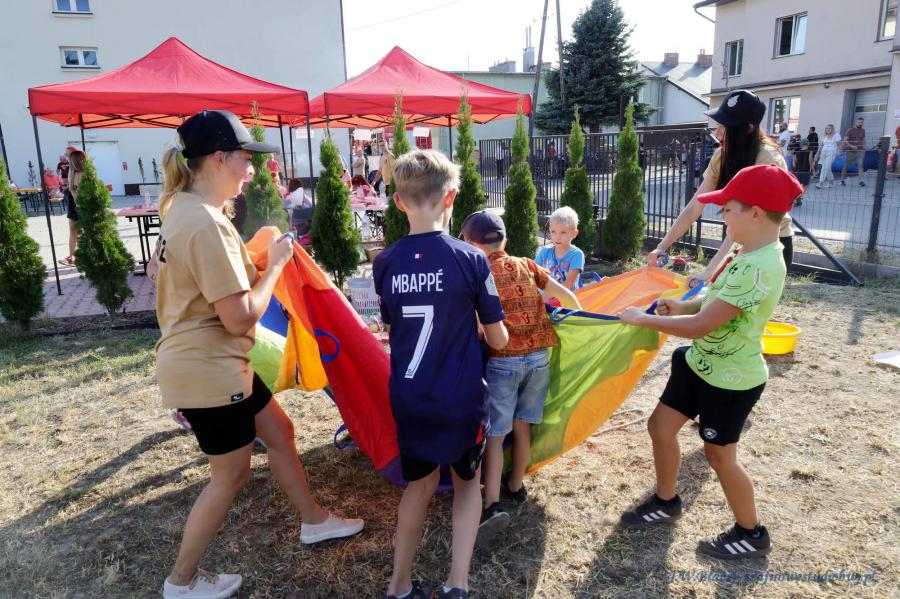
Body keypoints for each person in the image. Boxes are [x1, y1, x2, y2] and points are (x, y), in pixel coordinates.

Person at [154, 110, 364, 599]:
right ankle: (181, 581)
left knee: (280, 432)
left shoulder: (182, 208)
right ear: (219, 158)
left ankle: (314, 521)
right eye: (245, 158)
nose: (252, 169)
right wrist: (276, 268)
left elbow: (166, 273)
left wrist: (253, 259)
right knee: (230, 477)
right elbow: (241, 317)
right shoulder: (204, 222)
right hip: (210, 370)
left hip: (218, 363)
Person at [619, 164, 802, 560]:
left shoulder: (760, 267)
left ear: (756, 213)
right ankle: (666, 501)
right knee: (660, 427)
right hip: (699, 363)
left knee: (720, 456)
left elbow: (702, 326)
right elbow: (713, 302)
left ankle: (751, 533)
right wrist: (681, 306)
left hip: (730, 381)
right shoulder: (744, 250)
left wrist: (643, 319)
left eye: (728, 208)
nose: (722, 214)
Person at [373, 150, 509, 599]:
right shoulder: (471, 259)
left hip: (410, 397)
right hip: (459, 398)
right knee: (468, 484)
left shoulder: (385, 262)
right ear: (451, 198)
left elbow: (395, 326)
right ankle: (457, 583)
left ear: (399, 202)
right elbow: (499, 339)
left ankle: (398, 585)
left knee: (420, 484)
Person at [458, 211, 581, 547]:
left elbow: (475, 322)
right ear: (505, 239)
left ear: (471, 245)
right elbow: (565, 295)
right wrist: (583, 318)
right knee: (523, 425)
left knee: (496, 434)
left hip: (503, 362)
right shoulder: (527, 263)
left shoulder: (476, 272)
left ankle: (492, 503)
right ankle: (516, 486)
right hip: (539, 360)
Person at [647, 89, 795, 277]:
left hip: (768, 246)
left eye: (725, 127)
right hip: (740, 238)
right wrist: (661, 247)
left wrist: (710, 271)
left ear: (749, 128)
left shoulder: (767, 160)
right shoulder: (722, 156)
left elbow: (746, 219)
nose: (717, 132)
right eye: (718, 124)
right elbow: (695, 206)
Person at [535, 206, 585, 291]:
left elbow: (567, 286)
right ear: (549, 230)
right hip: (543, 295)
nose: (557, 237)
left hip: (564, 298)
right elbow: (533, 274)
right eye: (553, 232)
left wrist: (544, 298)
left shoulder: (576, 255)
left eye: (563, 232)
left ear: (574, 233)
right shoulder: (544, 251)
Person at [58, 149, 86, 267]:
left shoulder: (78, 174)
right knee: (74, 231)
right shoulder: (73, 172)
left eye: (68, 156)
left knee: (77, 231)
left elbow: (79, 193)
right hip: (74, 203)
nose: (66, 158)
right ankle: (73, 256)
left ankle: (77, 256)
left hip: (78, 204)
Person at [840, 117, 867, 186]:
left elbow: (863, 139)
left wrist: (864, 147)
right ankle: (842, 180)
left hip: (859, 151)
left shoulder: (863, 130)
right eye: (859, 122)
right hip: (850, 151)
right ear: (856, 122)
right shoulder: (850, 130)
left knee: (860, 165)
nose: (860, 124)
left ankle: (861, 181)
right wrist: (851, 146)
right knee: (846, 166)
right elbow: (845, 140)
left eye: (861, 122)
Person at [814, 124, 841, 189]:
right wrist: (817, 154)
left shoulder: (836, 135)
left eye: (829, 128)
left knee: (825, 168)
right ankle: (831, 182)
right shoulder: (824, 136)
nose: (828, 130)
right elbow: (821, 146)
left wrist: (839, 153)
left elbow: (839, 145)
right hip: (823, 153)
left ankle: (820, 182)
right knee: (827, 168)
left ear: (832, 129)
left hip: (832, 153)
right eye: (826, 128)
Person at [792, 139, 812, 207]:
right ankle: (797, 197)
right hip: (806, 171)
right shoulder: (809, 152)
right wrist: (813, 169)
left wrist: (796, 168)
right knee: (806, 185)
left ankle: (798, 200)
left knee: (798, 185)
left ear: (801, 144)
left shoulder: (797, 152)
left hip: (798, 171)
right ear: (808, 144)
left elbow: (794, 163)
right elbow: (810, 161)